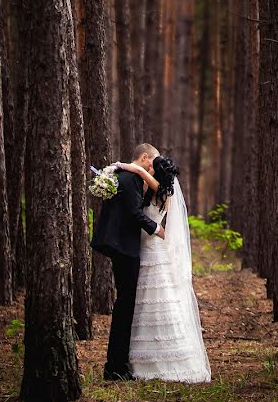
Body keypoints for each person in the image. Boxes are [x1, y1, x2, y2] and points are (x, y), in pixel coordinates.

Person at [115, 155, 211, 383]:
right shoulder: (159, 190)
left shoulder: (162, 190)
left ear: (156, 171)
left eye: (151, 167)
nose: (148, 169)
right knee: (146, 299)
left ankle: (162, 359)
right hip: (146, 246)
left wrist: (125, 167)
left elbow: (140, 174)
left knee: (156, 297)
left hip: (152, 248)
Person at [90, 143, 165, 381]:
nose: (152, 171)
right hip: (125, 248)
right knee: (125, 306)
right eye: (152, 165)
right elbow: (134, 212)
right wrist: (156, 229)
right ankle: (115, 367)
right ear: (144, 158)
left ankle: (116, 364)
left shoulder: (119, 175)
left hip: (118, 245)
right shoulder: (130, 179)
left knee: (124, 304)